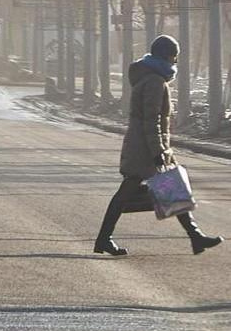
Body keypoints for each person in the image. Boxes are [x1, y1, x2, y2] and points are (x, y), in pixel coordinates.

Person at [94, 34, 222, 256]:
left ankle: (195, 237)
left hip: (143, 145)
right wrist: (158, 151)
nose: (175, 61)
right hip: (144, 148)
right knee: (130, 193)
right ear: (166, 55)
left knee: (173, 188)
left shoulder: (150, 76)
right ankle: (104, 239)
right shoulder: (155, 81)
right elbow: (151, 119)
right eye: (174, 56)